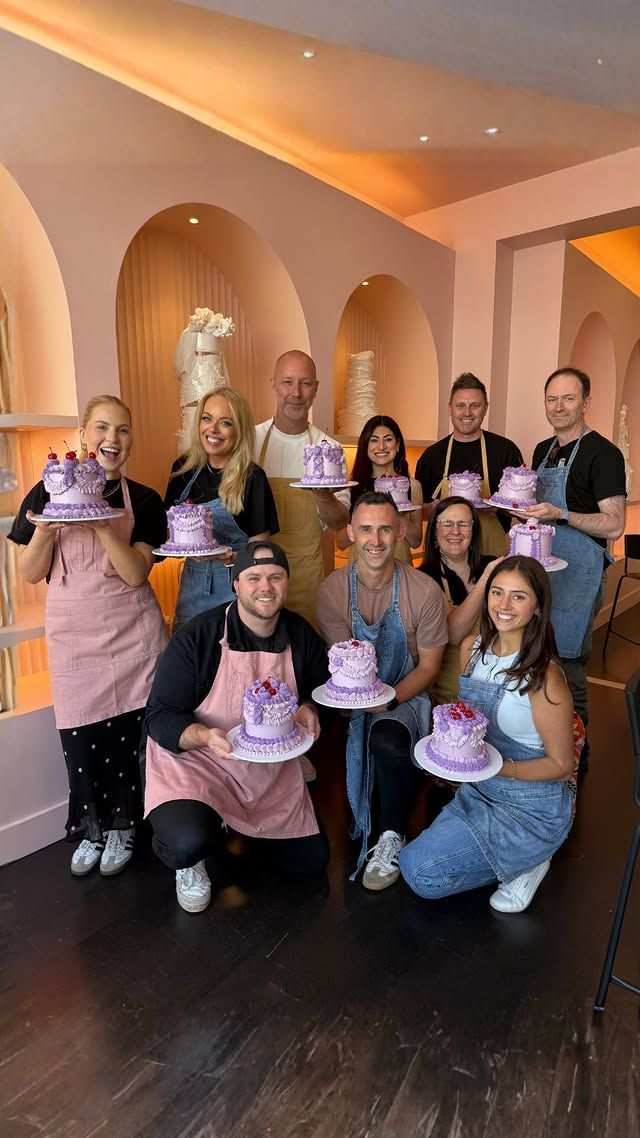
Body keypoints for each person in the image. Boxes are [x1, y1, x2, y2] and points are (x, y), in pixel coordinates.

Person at [8, 395, 168, 877]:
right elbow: (31, 573)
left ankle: (125, 826)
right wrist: (54, 520)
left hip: (131, 637)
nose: (111, 440)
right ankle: (93, 827)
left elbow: (137, 574)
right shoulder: (45, 490)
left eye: (122, 430)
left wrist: (101, 524)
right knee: (82, 738)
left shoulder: (143, 500)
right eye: (101, 428)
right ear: (82, 435)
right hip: (74, 640)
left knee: (128, 739)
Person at [143, 540, 330, 913]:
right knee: (187, 841)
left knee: (312, 862)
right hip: (199, 764)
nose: (266, 587)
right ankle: (193, 855)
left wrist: (309, 707)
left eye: (276, 577)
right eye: (254, 577)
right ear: (236, 584)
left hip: (267, 770)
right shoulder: (197, 637)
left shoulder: (300, 633)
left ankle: (234, 822)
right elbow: (159, 716)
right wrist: (204, 737)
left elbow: (319, 687)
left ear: (287, 583)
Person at [400, 556, 575, 913]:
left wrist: (496, 769)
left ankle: (533, 857)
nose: (503, 606)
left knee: (421, 875)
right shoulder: (472, 649)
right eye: (497, 593)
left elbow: (561, 764)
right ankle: (515, 857)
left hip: (530, 806)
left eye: (518, 597)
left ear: (538, 607)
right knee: (409, 860)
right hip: (478, 791)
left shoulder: (545, 676)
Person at [317, 491, 448, 890]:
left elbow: (428, 666)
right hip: (350, 698)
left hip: (405, 693)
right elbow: (344, 662)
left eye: (385, 530)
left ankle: (391, 833)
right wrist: (362, 704)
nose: (376, 540)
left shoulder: (424, 591)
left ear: (401, 532)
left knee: (389, 740)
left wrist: (390, 699)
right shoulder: (331, 591)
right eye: (367, 529)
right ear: (351, 533)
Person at [527, 367, 626, 740]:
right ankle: (541, 740)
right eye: (552, 399)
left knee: (568, 662)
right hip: (541, 570)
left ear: (586, 402)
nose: (559, 406)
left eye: (568, 398)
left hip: (579, 572)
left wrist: (561, 514)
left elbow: (614, 524)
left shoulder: (604, 454)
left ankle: (573, 750)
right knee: (537, 657)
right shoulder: (543, 450)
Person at [165, 385, 278, 631]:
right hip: (193, 586)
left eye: (225, 422)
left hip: (236, 587)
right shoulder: (183, 469)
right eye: (207, 418)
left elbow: (262, 555)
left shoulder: (252, 477)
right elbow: (169, 535)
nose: (213, 429)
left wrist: (228, 556)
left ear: (239, 430)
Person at [255, 350, 350, 628]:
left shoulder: (329, 449)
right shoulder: (250, 440)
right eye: (287, 382)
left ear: (316, 389)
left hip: (306, 574)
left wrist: (322, 493)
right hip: (259, 572)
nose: (296, 392)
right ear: (273, 385)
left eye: (305, 383)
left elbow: (340, 522)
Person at [415, 373, 523, 556]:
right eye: (460, 406)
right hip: (443, 557)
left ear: (485, 408)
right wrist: (435, 508)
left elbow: (523, 511)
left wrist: (500, 508)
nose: (467, 413)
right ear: (450, 408)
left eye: (475, 405)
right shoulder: (431, 456)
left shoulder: (506, 451)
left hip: (492, 556)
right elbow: (418, 514)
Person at [419, 496, 502, 704]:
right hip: (454, 691)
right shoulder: (425, 578)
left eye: (463, 524)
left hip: (498, 681)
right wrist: (485, 581)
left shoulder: (491, 564)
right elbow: (453, 634)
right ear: (434, 533)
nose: (455, 531)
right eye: (447, 523)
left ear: (473, 531)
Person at [337, 415, 423, 563]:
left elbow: (416, 542)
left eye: (388, 439)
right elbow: (341, 542)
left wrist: (398, 512)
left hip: (400, 565)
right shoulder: (353, 487)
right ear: (365, 446)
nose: (381, 446)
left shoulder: (412, 486)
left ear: (397, 445)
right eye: (374, 440)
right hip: (360, 569)